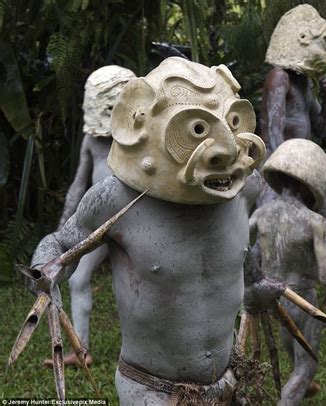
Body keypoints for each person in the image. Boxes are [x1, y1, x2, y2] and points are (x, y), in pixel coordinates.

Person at [28, 57, 284, 404]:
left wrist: (256, 283)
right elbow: (60, 243)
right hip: (150, 390)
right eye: (197, 130)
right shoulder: (117, 199)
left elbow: (241, 249)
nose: (223, 147)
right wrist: (44, 272)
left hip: (225, 383)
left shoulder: (244, 188)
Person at [43, 65, 136, 367]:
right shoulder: (91, 140)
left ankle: (138, 354)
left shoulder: (137, 138)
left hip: (131, 223)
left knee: (131, 286)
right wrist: (62, 230)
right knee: (78, 278)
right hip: (96, 223)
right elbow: (78, 185)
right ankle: (80, 350)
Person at [249, 139, 326, 405]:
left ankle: (298, 386)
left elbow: (243, 253)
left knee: (297, 357)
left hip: (272, 299)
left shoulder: (260, 215)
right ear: (313, 182)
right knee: (305, 368)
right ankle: (296, 388)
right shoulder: (315, 221)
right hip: (303, 299)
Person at [260, 5, 326, 294]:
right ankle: (261, 295)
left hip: (303, 174)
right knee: (269, 240)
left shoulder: (304, 83)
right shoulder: (279, 77)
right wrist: (281, 182)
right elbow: (273, 129)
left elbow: (320, 129)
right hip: (278, 175)